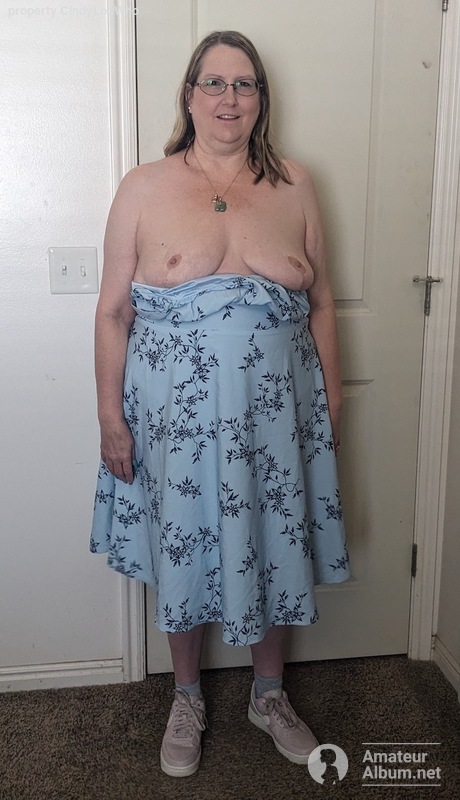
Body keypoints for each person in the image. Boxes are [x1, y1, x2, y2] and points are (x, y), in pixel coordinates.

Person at [90, 30, 350, 778]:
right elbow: (112, 312)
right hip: (175, 423)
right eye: (215, 82)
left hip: (278, 422)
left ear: (261, 97)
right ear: (189, 94)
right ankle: (187, 697)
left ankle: (269, 696)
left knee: (272, 542)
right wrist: (110, 419)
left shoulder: (296, 183)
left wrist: (331, 405)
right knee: (186, 546)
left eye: (244, 84)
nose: (229, 98)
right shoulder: (144, 186)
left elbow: (321, 304)